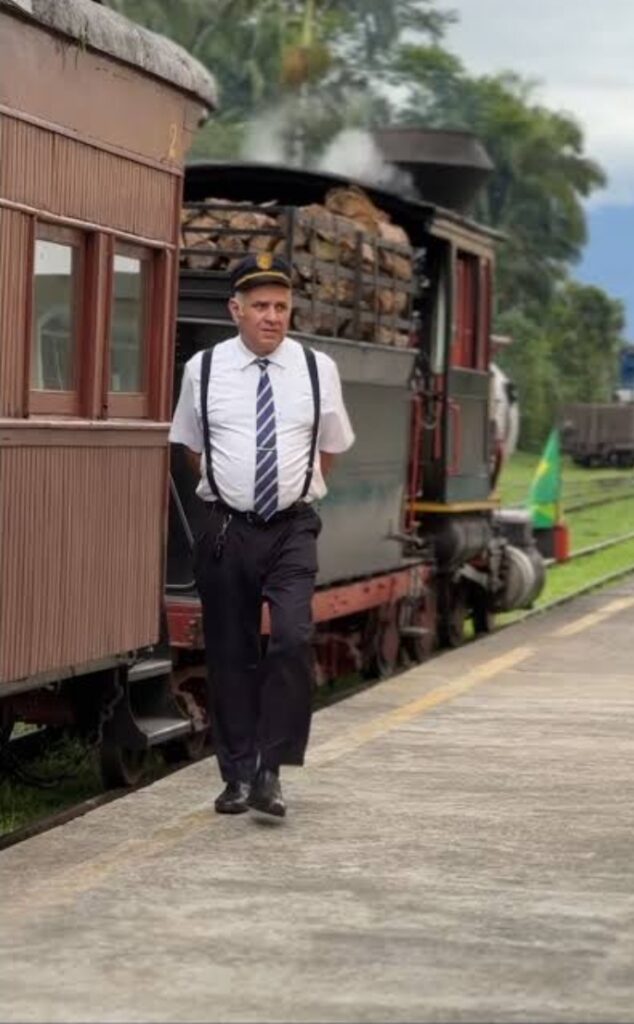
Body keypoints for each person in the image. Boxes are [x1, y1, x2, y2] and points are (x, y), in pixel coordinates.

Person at [169, 253, 355, 819]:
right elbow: (191, 446)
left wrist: (292, 491)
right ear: (236, 310)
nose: (273, 316)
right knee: (230, 654)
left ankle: (271, 771)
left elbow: (331, 447)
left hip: (292, 527)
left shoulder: (318, 368)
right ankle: (237, 775)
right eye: (260, 306)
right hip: (227, 529)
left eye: (281, 306)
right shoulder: (203, 369)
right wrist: (233, 491)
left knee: (292, 638)